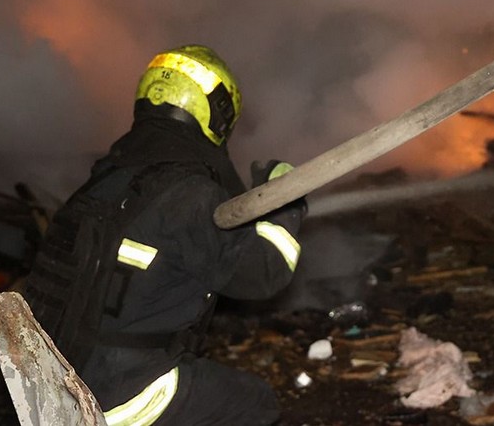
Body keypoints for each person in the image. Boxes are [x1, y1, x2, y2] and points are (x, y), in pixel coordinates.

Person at [23, 45, 306, 425]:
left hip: (48, 389)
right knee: (255, 404)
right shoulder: (187, 194)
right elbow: (263, 273)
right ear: (216, 117)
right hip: (121, 395)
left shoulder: (102, 185)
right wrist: (285, 204)